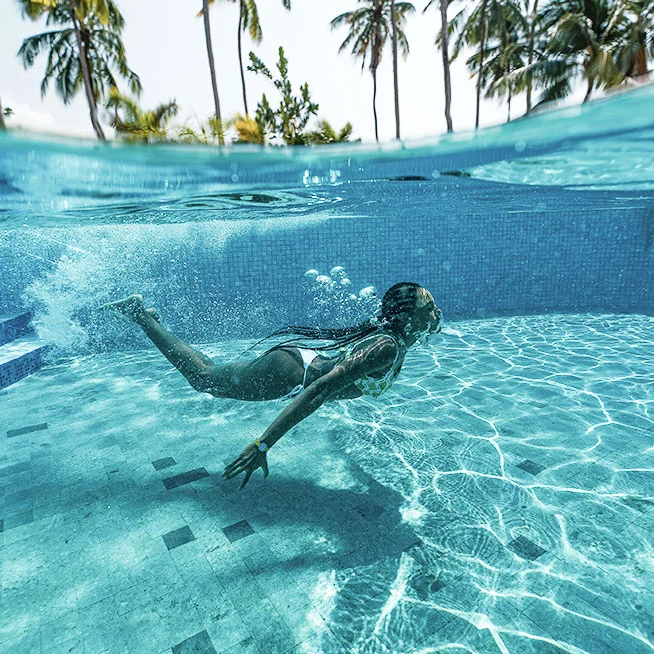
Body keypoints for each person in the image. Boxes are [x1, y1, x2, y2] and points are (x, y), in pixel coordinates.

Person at [101, 282, 442, 489]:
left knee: (212, 372)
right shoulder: (385, 348)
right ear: (406, 316)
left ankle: (152, 321)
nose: (436, 311)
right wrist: (262, 445)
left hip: (294, 365)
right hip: (288, 372)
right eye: (430, 306)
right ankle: (141, 316)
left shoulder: (396, 342)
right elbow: (321, 390)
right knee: (203, 379)